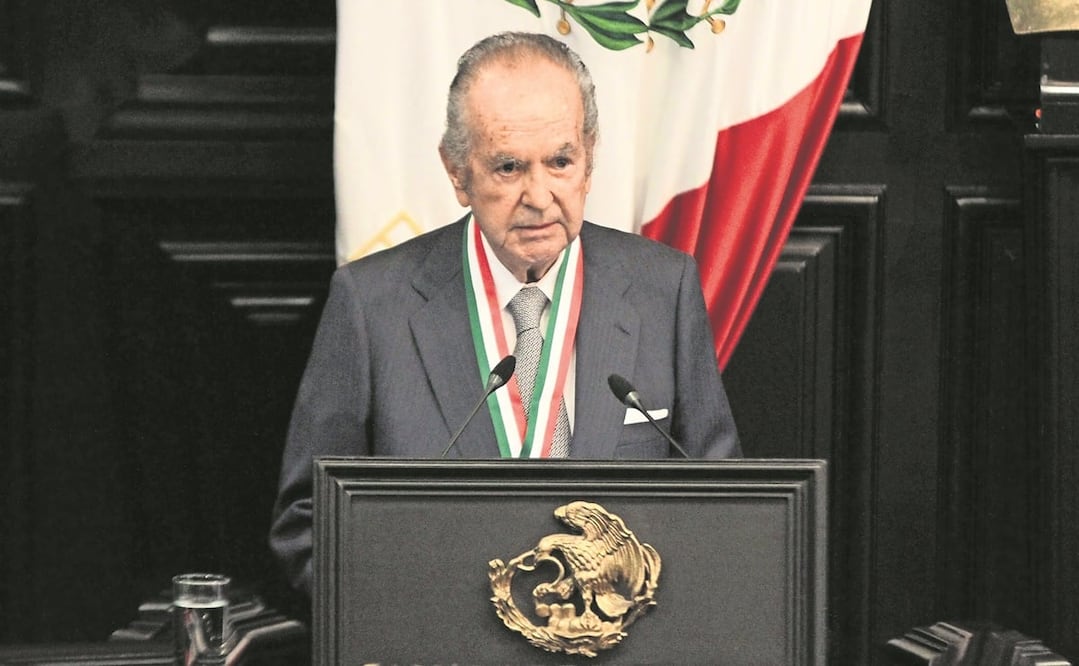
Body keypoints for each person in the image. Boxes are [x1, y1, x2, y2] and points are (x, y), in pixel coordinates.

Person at [269, 31, 740, 598]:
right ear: (457, 171)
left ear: (590, 159)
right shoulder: (372, 306)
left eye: (560, 162)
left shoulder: (664, 289)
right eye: (510, 168)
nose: (539, 196)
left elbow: (725, 510)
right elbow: (308, 525)